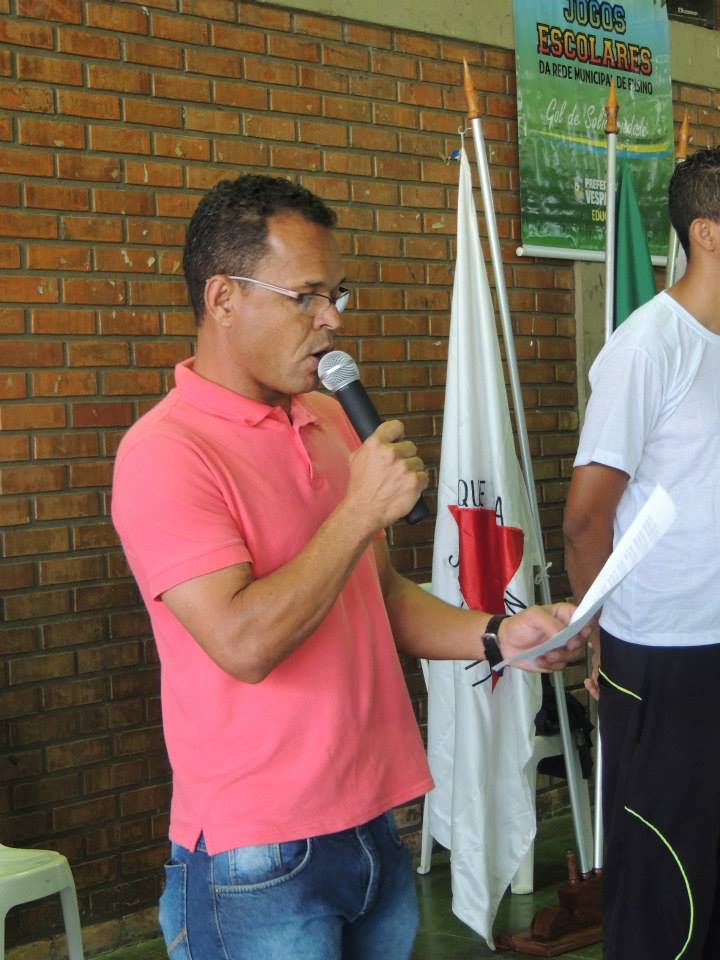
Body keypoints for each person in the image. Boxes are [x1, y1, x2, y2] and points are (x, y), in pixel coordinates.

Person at [112, 173, 583, 960]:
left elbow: (378, 595)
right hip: (258, 853)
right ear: (223, 298)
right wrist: (359, 510)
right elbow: (242, 642)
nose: (332, 318)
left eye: (336, 294)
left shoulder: (330, 416)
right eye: (306, 296)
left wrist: (500, 634)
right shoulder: (165, 453)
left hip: (371, 822)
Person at [563, 146, 720, 960]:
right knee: (666, 870)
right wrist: (594, 631)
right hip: (660, 650)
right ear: (707, 233)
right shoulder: (647, 347)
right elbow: (586, 518)